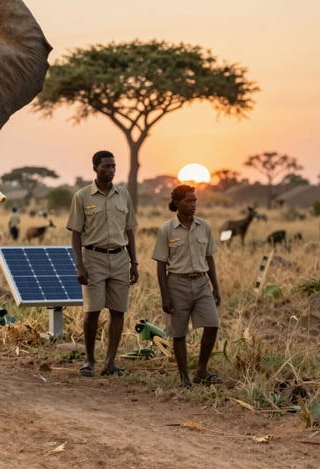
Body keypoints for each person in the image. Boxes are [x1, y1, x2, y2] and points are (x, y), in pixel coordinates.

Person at [67, 150, 138, 377]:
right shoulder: (82, 196)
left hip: (120, 258)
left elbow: (129, 231)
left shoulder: (123, 195)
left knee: (118, 311)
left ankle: (110, 362)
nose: (111, 170)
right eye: (106, 166)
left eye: (113, 166)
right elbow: (76, 234)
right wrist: (79, 266)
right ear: (95, 168)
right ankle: (89, 360)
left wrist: (134, 263)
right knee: (92, 310)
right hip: (93, 258)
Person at [151, 183, 222, 388]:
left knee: (212, 324)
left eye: (195, 200)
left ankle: (201, 370)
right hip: (177, 283)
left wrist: (215, 287)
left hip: (201, 283)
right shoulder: (166, 230)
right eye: (188, 201)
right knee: (179, 332)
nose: (193, 205)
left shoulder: (204, 226)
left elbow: (209, 258)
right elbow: (161, 264)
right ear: (176, 203)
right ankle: (184, 378)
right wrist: (165, 295)